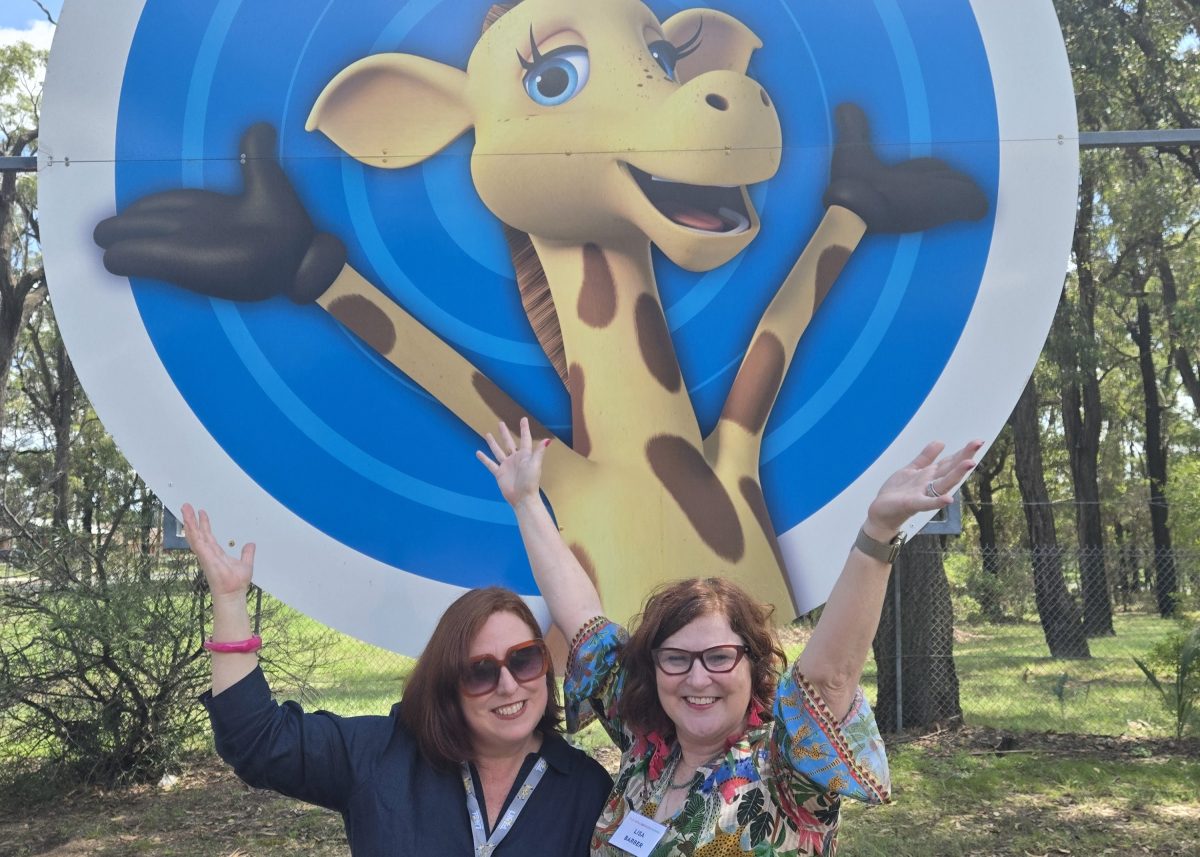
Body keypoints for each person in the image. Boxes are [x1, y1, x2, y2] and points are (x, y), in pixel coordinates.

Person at [478, 419, 980, 856]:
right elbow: (581, 615)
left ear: (752, 666)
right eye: (676, 658)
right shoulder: (645, 741)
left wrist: (877, 532)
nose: (697, 678)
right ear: (654, 669)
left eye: (719, 657)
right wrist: (526, 501)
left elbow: (830, 678)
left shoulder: (785, 769)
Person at [183, 504, 612, 856]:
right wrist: (229, 599)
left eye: (524, 660)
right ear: (447, 684)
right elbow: (258, 741)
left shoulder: (588, 791)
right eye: (480, 671)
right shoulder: (381, 755)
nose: (508, 685)